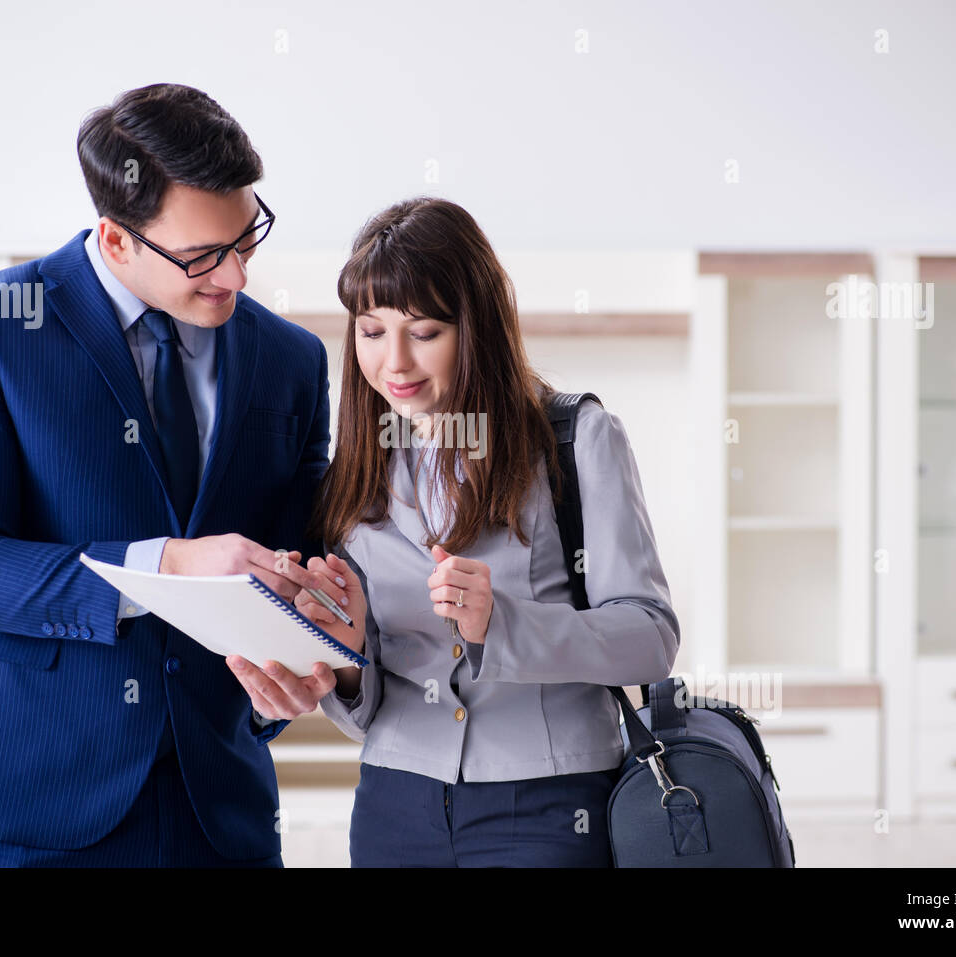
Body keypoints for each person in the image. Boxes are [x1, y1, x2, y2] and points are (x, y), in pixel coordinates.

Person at [0, 83, 342, 867]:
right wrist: (166, 563)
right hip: (29, 804)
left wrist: (300, 661)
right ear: (114, 239)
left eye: (247, 239)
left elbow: (285, 566)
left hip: (222, 812)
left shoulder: (292, 360)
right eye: (203, 257)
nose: (236, 278)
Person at [291, 197, 682, 867]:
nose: (395, 362)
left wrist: (500, 624)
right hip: (395, 802)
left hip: (550, 804)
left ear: (477, 327)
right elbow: (364, 700)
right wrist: (350, 656)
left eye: (425, 330)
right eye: (371, 330)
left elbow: (650, 638)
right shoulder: (357, 471)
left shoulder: (576, 438)